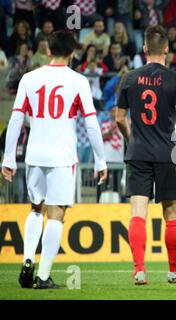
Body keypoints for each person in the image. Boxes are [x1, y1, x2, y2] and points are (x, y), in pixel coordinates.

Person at [1, 30, 107, 289]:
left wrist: (8, 158)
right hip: (62, 156)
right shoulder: (79, 81)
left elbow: (16, 119)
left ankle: (27, 260)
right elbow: (92, 124)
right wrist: (100, 160)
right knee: (57, 214)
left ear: (48, 51)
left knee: (36, 209)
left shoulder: (29, 78)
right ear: (73, 53)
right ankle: (43, 275)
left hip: (35, 154)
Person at [116, 25, 176, 285]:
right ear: (167, 50)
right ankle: (172, 270)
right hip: (167, 153)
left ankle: (139, 269)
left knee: (138, 211)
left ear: (145, 49)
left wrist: (131, 139)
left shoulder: (129, 77)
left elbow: (119, 118)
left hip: (137, 152)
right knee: (171, 212)